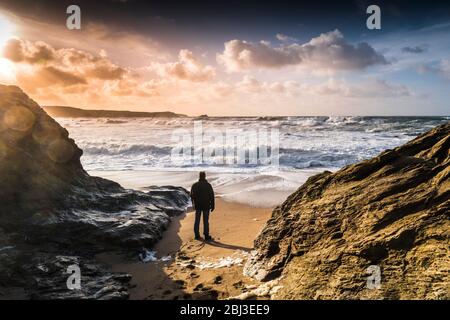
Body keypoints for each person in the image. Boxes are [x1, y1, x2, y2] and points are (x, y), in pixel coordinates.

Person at [190, 171, 215, 241]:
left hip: (198, 206)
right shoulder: (208, 185)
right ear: (205, 176)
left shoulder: (194, 185)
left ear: (199, 176)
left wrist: (193, 204)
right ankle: (206, 235)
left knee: (197, 220)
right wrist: (213, 206)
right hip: (206, 206)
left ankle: (197, 235)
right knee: (206, 221)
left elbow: (191, 196)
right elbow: (212, 196)